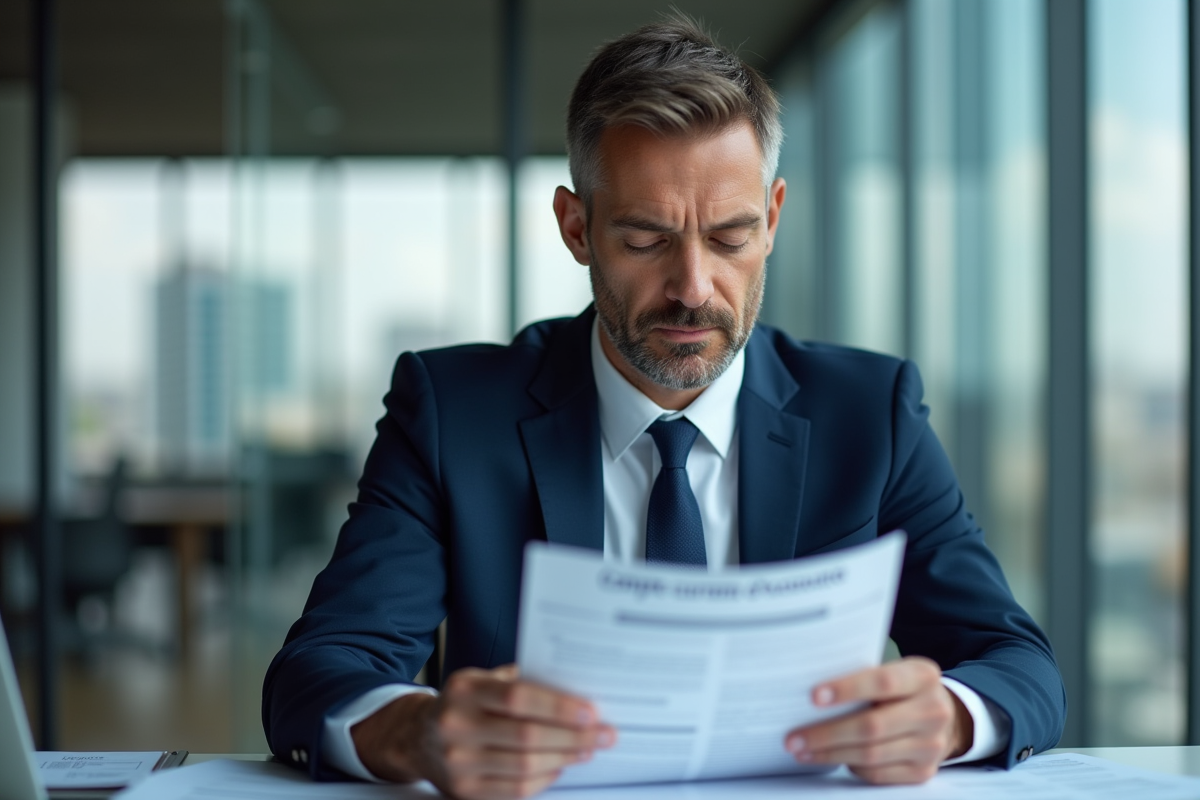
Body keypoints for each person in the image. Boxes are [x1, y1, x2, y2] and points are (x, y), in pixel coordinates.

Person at [262, 16, 1065, 799]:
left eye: (730, 238)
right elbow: (320, 671)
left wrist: (952, 719)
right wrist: (420, 731)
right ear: (577, 227)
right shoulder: (451, 414)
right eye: (645, 240)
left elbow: (1014, 661)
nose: (692, 287)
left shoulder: (871, 414)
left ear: (774, 219)